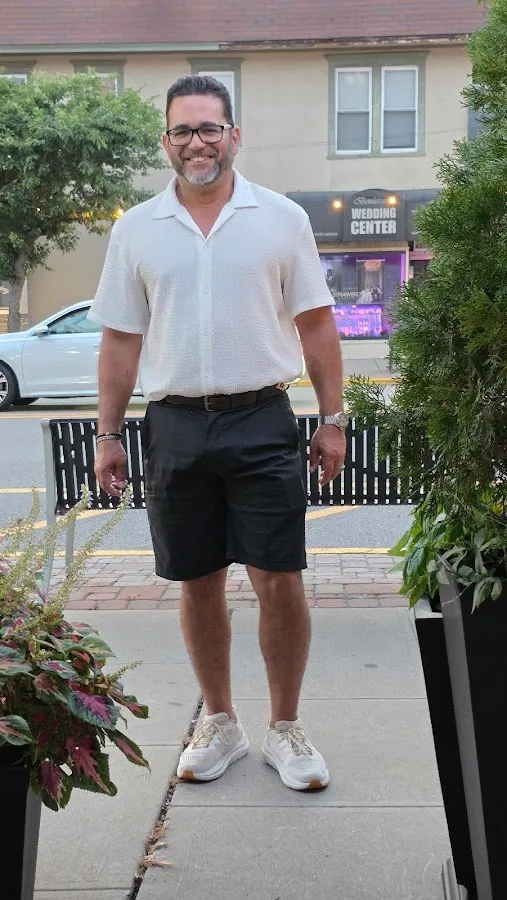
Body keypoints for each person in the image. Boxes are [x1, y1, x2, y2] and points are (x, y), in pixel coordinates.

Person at [90, 74, 347, 792]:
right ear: (166, 142)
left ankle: (286, 727)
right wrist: (108, 434)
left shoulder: (281, 218)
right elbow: (120, 339)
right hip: (174, 423)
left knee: (279, 578)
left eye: (209, 128)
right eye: (183, 130)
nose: (196, 142)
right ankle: (221, 722)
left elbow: (316, 324)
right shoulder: (137, 228)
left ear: (234, 136)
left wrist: (332, 420)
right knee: (197, 580)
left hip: (262, 417)